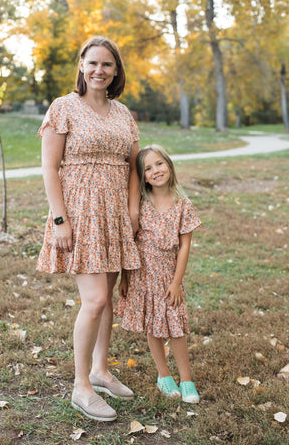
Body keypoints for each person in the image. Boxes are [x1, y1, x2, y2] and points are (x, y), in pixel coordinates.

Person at [37, 36, 141, 421]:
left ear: (116, 71)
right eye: (93, 62)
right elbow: (50, 167)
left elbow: (133, 166)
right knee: (95, 300)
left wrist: (132, 211)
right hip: (80, 212)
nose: (99, 70)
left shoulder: (123, 112)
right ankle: (81, 385)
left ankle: (100, 371)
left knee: (107, 299)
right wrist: (60, 219)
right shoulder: (64, 107)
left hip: (115, 212)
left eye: (107, 65)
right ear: (81, 65)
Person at [116, 144, 201, 403]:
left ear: (169, 165)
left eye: (159, 164)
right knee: (152, 326)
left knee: (175, 328)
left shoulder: (182, 205)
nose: (155, 171)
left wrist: (176, 283)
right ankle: (164, 376)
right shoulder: (140, 204)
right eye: (148, 168)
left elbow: (185, 245)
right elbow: (130, 243)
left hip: (168, 278)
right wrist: (125, 276)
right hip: (142, 277)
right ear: (142, 177)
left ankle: (186, 380)